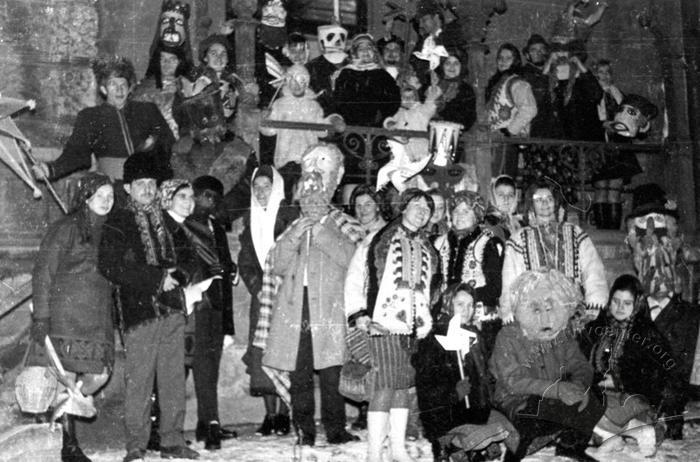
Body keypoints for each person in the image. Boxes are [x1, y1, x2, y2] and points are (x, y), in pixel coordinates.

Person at [98, 152, 198, 462]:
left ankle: (171, 440)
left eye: (151, 183)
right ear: (126, 188)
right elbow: (110, 266)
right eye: (139, 184)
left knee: (171, 379)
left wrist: (175, 277)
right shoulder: (118, 221)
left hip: (172, 310)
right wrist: (156, 278)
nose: (146, 189)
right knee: (139, 382)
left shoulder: (167, 220)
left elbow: (190, 258)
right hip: (138, 311)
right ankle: (136, 446)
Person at [263, 170, 361, 446]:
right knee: (300, 374)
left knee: (332, 373)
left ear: (327, 201)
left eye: (318, 200)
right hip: (297, 310)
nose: (312, 205)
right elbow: (277, 265)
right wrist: (295, 235)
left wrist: (319, 233)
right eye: (307, 200)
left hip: (328, 310)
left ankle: (336, 430)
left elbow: (349, 258)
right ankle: (304, 430)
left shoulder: (339, 227)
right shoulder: (292, 228)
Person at [345, 188, 437, 462]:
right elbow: (355, 277)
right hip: (382, 324)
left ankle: (396, 448)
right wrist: (359, 313)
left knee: (401, 385)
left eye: (427, 209)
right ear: (403, 207)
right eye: (416, 205)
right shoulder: (379, 239)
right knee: (384, 385)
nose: (422, 211)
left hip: (413, 328)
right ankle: (374, 453)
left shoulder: (427, 247)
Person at [30, 173, 115, 462]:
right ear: (86, 197)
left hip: (97, 318)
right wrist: (41, 317)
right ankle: (69, 446)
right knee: (64, 377)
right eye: (100, 195)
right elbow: (43, 273)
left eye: (110, 196)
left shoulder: (111, 231)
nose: (106, 201)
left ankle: (59, 414)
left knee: (99, 375)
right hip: (65, 316)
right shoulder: (65, 228)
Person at [490, 270, 605, 462]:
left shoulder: (560, 333)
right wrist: (558, 390)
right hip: (518, 402)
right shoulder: (507, 336)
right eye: (536, 309)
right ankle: (522, 444)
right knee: (544, 409)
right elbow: (513, 382)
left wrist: (579, 386)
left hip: (550, 399)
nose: (544, 317)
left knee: (595, 397)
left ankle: (570, 446)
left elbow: (581, 365)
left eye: (549, 308)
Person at [579, 274, 686, 456]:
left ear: (637, 304)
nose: (620, 308)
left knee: (588, 407)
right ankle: (615, 437)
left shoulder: (646, 335)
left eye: (627, 303)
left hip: (637, 400)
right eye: (616, 301)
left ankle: (638, 429)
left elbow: (661, 379)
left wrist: (619, 382)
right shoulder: (598, 328)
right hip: (604, 396)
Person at [32, 56, 174, 182]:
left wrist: (149, 148)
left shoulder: (147, 110)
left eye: (123, 85)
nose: (119, 90)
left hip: (148, 184)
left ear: (130, 88)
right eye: (113, 85)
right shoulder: (90, 116)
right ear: (103, 89)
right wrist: (50, 169)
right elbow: (76, 154)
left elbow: (167, 143)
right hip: (112, 187)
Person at [413, 283, 504, 461]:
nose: (466, 310)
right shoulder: (435, 339)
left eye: (470, 305)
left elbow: (484, 376)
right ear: (448, 304)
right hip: (445, 412)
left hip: (471, 412)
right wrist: (454, 393)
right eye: (460, 304)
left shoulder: (474, 335)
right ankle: (448, 444)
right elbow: (426, 386)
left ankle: (472, 442)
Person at [239, 166, 298, 436]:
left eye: (267, 186)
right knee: (262, 353)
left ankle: (285, 413)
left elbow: (297, 254)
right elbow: (246, 261)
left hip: (287, 293)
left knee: (286, 353)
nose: (262, 192)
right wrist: (257, 287)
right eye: (257, 187)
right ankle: (270, 415)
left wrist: (283, 285)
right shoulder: (250, 219)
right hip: (262, 294)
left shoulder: (289, 214)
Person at [500, 181, 608, 325]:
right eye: (539, 200)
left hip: (572, 314)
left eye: (549, 199)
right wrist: (509, 310)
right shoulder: (518, 239)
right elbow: (510, 279)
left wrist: (595, 302)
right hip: (535, 315)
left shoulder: (575, 233)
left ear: (556, 203)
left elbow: (593, 269)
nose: (545, 203)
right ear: (531, 205)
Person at [186, 176, 239, 447]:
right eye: (205, 195)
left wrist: (228, 323)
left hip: (215, 306)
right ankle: (203, 425)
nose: (210, 201)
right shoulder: (183, 225)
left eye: (214, 197)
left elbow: (225, 267)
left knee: (210, 368)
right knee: (189, 368)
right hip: (194, 306)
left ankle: (207, 423)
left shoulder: (216, 226)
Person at [259, 64, 345, 170]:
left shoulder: (313, 106)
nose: (297, 86)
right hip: (285, 157)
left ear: (306, 83)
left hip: (309, 157)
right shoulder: (279, 104)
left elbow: (321, 131)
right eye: (292, 81)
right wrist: (264, 119)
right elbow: (270, 131)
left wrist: (333, 120)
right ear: (288, 83)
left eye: (301, 81)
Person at [133, 42, 191, 140]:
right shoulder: (144, 88)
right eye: (162, 59)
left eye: (172, 59)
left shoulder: (188, 85)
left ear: (180, 62)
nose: (166, 63)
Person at [520, 34, 554, 138]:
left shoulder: (554, 72)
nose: (539, 53)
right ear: (527, 55)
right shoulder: (523, 73)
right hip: (536, 131)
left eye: (542, 49)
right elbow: (537, 97)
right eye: (534, 50)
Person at [435, 48, 477, 133]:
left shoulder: (466, 90)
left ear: (461, 67)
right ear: (442, 66)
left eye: (456, 63)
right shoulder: (434, 86)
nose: (452, 67)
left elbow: (469, 118)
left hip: (454, 134)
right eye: (448, 63)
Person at [484, 174, 522, 243]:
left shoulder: (514, 223)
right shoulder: (491, 223)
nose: (506, 199)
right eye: (501, 195)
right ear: (493, 196)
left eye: (510, 195)